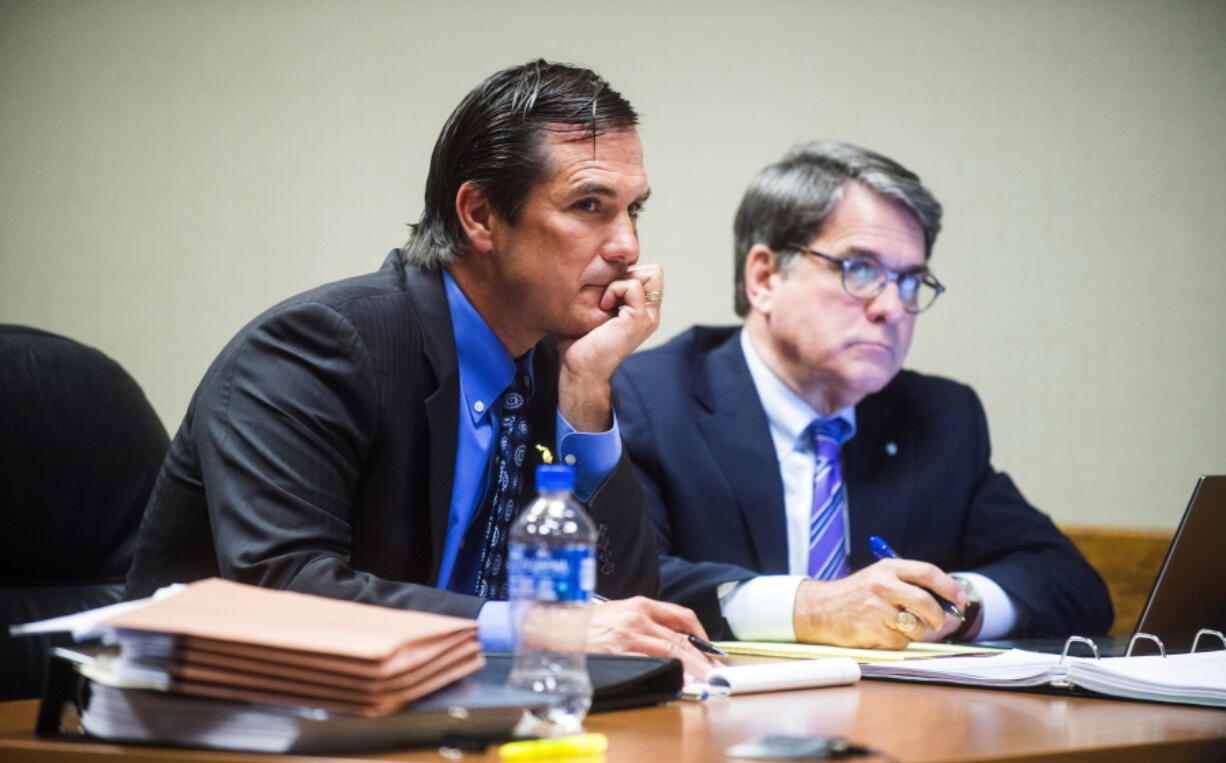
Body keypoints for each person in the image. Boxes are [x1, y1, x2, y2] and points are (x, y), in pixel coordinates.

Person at [125, 59, 715, 677]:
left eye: (633, 210)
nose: (627, 246)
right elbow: (287, 588)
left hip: (454, 730)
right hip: (220, 738)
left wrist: (587, 393)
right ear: (480, 215)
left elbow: (622, 615)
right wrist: (539, 626)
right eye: (589, 205)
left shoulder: (552, 365)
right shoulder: (319, 347)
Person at [613, 140, 1112, 648]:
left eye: (911, 281)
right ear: (764, 277)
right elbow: (619, 584)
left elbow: (1070, 584)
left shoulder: (939, 419)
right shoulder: (649, 400)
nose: (891, 307)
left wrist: (952, 605)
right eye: (861, 270)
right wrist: (811, 609)